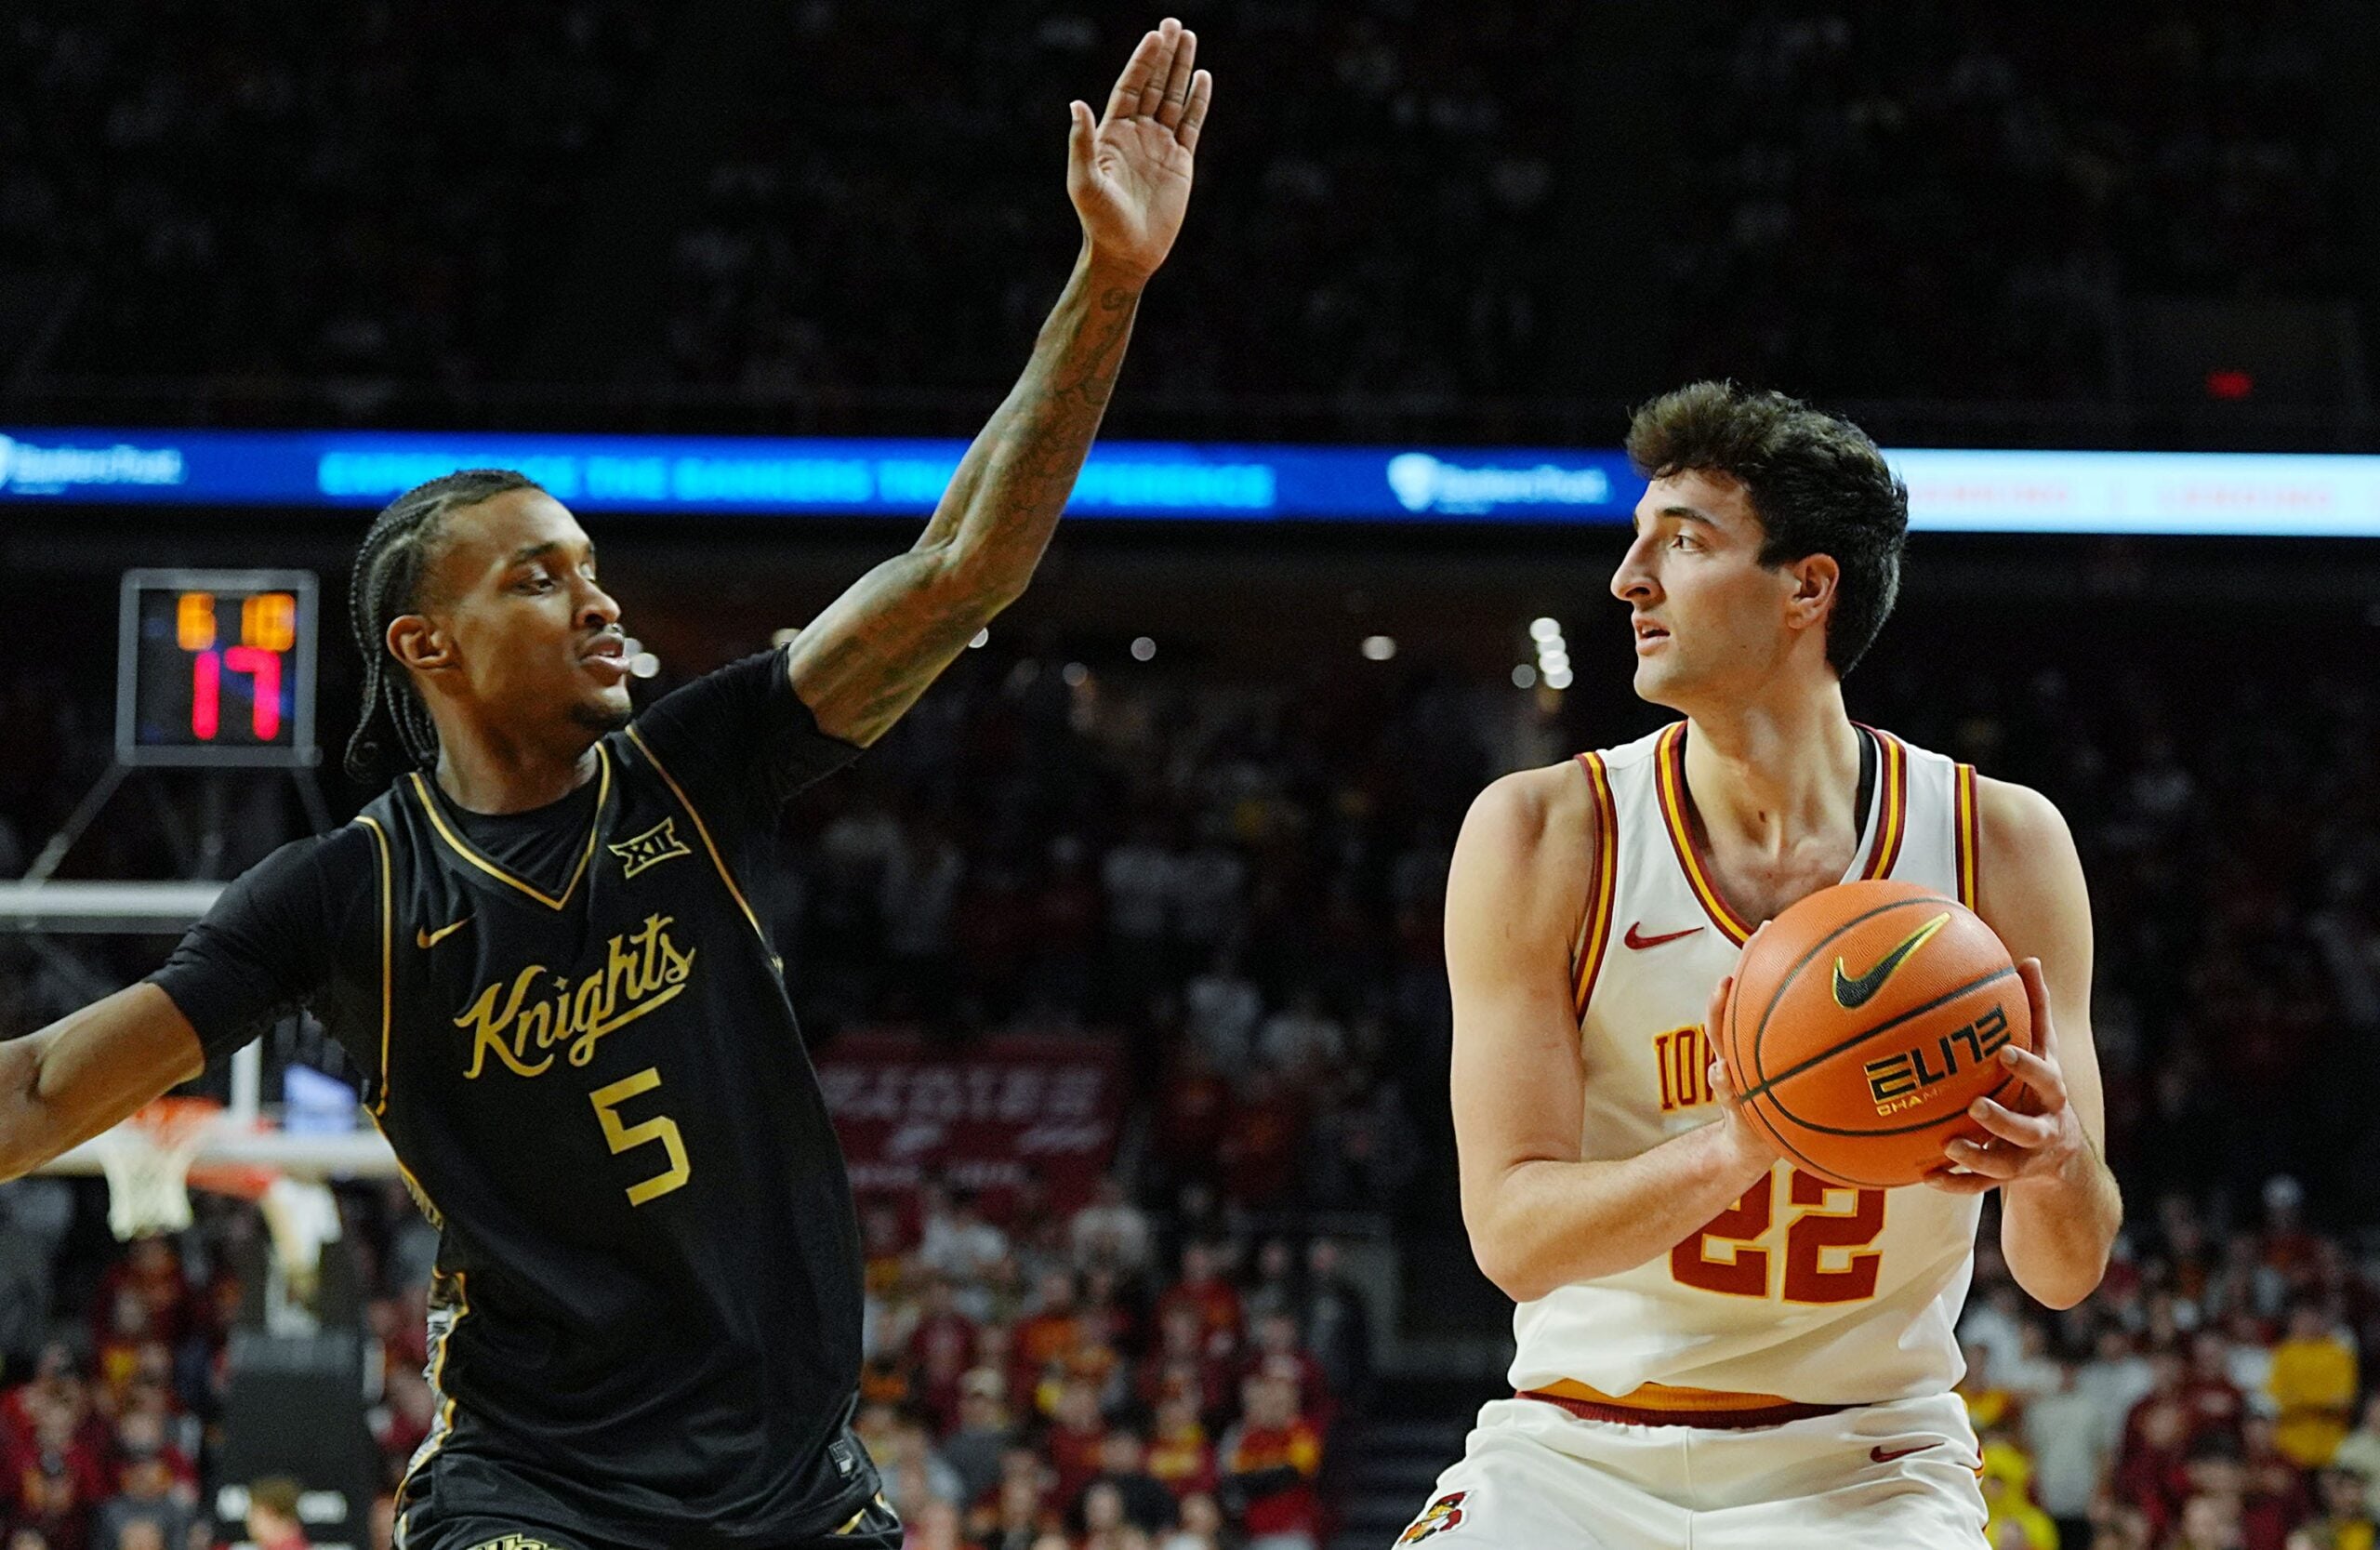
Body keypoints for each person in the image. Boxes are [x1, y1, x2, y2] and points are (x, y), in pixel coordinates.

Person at [0, 24, 1214, 1550]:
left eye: (590, 567)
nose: (597, 600)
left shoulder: (699, 764)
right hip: (538, 1488)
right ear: (428, 643)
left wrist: (1109, 281)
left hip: (791, 1481)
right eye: (537, 577)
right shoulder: (346, 891)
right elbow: (42, 1088)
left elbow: (960, 567)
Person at [1409, 383, 2122, 1548]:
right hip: (1571, 1448)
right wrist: (1745, 1139)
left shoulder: (1998, 842)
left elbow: (2065, 1268)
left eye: (1683, 542)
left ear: (1807, 587)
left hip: (1867, 1460)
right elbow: (1512, 1236)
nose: (1628, 579)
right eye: (1635, 542)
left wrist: (2054, 1165)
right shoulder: (1544, 832)